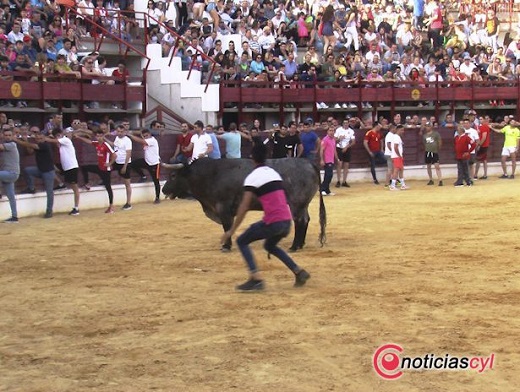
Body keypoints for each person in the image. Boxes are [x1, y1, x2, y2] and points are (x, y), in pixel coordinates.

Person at [220, 143, 310, 292]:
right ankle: (298, 272)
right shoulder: (274, 173)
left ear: (252, 158)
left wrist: (231, 230)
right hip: (286, 221)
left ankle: (256, 279)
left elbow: (244, 206)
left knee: (241, 241)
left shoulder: (253, 177)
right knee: (270, 246)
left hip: (273, 222)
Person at [15, 128, 55, 218]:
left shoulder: (45, 145)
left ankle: (49, 211)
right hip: (41, 170)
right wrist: (26, 141)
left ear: (44, 138)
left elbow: (30, 146)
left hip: (48, 172)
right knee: (27, 170)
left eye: (40, 138)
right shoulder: (40, 145)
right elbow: (30, 150)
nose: (39, 140)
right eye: (37, 139)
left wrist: (18, 140)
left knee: (49, 192)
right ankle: (31, 187)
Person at [74, 129, 117, 213]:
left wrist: (110, 163)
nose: (99, 138)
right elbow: (89, 142)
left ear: (103, 136)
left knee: (108, 187)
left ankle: (111, 206)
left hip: (105, 170)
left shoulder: (105, 145)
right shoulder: (97, 143)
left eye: (101, 136)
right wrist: (79, 137)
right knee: (84, 168)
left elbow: (114, 155)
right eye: (98, 136)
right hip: (99, 167)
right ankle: (87, 183)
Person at [46, 128, 80, 215]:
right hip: (67, 167)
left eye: (58, 135)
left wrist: (46, 138)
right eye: (56, 136)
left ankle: (76, 208)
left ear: (61, 134)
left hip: (71, 167)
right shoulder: (62, 143)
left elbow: (55, 141)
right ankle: (61, 184)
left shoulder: (66, 140)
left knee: (75, 187)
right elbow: (57, 143)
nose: (58, 137)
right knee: (51, 167)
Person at [127, 128, 162, 204]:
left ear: (150, 135)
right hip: (147, 161)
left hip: (154, 164)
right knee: (133, 164)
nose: (146, 137)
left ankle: (157, 197)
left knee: (156, 181)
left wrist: (130, 134)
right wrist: (136, 132)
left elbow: (141, 141)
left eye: (147, 135)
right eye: (144, 136)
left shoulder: (152, 140)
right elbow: (142, 138)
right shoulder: (148, 139)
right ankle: (143, 176)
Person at [0, 126, 20, 222]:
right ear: (3, 136)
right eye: (6, 135)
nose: (8, 137)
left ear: (12, 136)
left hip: (11, 173)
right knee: (11, 196)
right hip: (9, 173)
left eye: (9, 135)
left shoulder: (12, 144)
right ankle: (14, 216)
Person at [112, 124, 133, 210]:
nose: (120, 133)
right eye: (118, 131)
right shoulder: (116, 138)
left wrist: (125, 166)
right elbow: (114, 145)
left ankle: (128, 202)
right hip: (117, 162)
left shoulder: (127, 140)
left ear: (125, 132)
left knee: (127, 183)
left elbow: (128, 153)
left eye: (121, 131)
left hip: (124, 163)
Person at [334, 118, 356, 188]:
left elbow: (353, 142)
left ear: (349, 123)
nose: (346, 124)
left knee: (346, 165)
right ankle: (338, 181)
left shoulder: (351, 131)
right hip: (339, 148)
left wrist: (346, 147)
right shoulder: (338, 130)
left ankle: (344, 181)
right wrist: (339, 139)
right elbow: (334, 140)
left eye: (347, 123)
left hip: (347, 148)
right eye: (344, 123)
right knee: (339, 164)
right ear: (342, 124)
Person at [320, 125, 338, 196]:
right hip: (327, 160)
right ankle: (323, 189)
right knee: (328, 175)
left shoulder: (333, 139)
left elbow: (334, 150)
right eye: (330, 130)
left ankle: (326, 190)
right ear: (327, 132)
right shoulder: (325, 139)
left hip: (331, 160)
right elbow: (321, 150)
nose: (331, 132)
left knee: (329, 175)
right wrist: (322, 160)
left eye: (333, 131)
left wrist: (337, 159)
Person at [389, 125, 408, 191]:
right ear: (398, 130)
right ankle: (392, 185)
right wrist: (399, 155)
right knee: (396, 171)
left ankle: (403, 185)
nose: (403, 131)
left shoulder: (395, 137)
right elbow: (395, 147)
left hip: (396, 156)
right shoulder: (396, 137)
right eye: (402, 130)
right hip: (397, 156)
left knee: (401, 169)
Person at [475, 115, 491, 180]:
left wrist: (479, 145)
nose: (480, 120)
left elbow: (484, 137)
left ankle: (476, 174)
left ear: (484, 120)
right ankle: (485, 174)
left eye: (481, 119)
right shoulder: (482, 126)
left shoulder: (484, 127)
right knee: (484, 160)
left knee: (479, 160)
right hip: (484, 145)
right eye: (479, 119)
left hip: (483, 145)